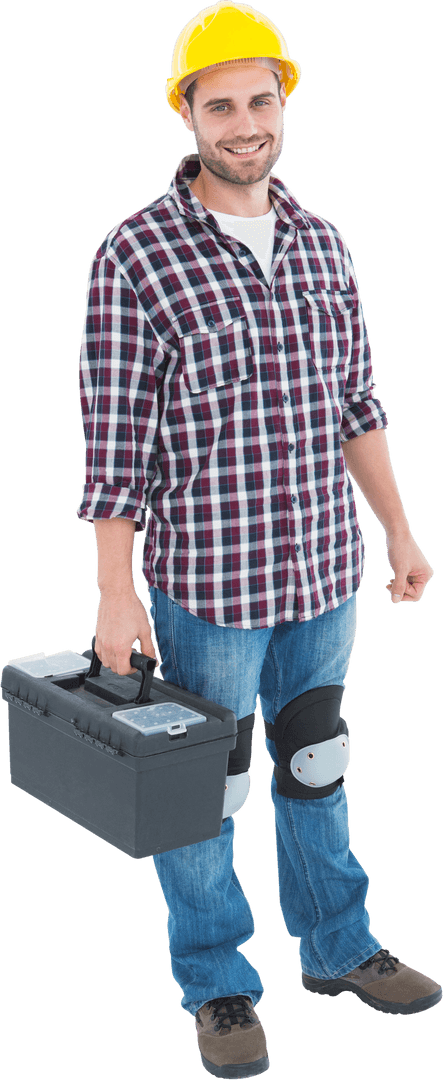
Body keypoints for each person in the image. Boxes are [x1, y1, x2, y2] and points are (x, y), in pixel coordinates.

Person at [76, 3, 440, 1076]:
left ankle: (338, 944)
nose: (244, 122)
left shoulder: (323, 244)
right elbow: (114, 444)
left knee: (316, 759)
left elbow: (356, 408)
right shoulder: (134, 253)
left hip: (323, 572)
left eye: (260, 100)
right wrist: (114, 591)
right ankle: (219, 984)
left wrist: (399, 533)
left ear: (282, 104)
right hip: (208, 586)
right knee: (209, 788)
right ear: (185, 110)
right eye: (219, 102)